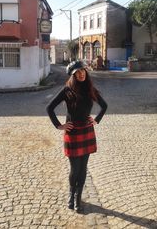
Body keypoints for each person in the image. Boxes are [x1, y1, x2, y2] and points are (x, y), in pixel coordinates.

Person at [46, 60, 107, 212]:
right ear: (73, 75)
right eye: (77, 72)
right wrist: (59, 125)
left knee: (83, 168)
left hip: (86, 131)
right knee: (75, 168)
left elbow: (104, 106)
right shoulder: (67, 90)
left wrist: (96, 120)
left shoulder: (90, 89)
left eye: (83, 71)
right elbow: (49, 108)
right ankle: (71, 196)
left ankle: (78, 199)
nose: (81, 74)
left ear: (86, 72)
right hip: (72, 133)